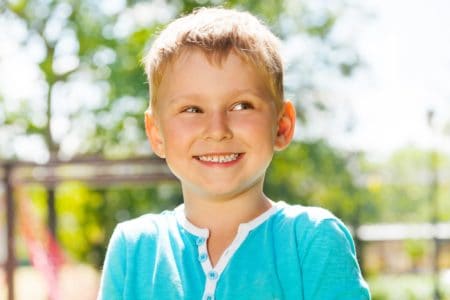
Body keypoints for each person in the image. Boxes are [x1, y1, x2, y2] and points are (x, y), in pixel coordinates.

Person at [97, 7, 371, 300]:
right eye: (192, 110)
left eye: (241, 106)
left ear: (282, 125)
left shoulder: (312, 240)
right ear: (155, 133)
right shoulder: (133, 248)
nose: (217, 130)